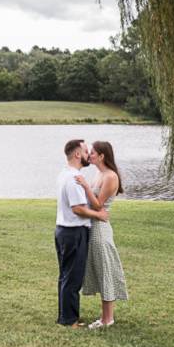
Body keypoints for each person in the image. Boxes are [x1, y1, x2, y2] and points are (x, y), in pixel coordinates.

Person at [55, 139, 109, 327]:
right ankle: (69, 321)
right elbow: (77, 209)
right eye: (86, 151)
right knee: (72, 278)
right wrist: (98, 214)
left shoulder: (65, 174)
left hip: (64, 231)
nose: (88, 155)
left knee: (65, 276)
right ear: (77, 154)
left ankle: (65, 317)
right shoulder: (73, 178)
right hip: (73, 232)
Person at [76, 140, 129, 328]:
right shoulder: (99, 173)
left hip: (101, 229)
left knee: (105, 271)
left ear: (101, 156)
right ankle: (105, 318)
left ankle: (108, 319)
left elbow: (98, 205)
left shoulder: (111, 176)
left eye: (91, 152)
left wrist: (84, 186)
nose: (88, 155)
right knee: (100, 271)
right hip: (93, 227)